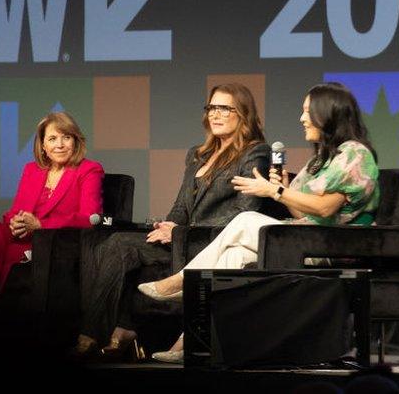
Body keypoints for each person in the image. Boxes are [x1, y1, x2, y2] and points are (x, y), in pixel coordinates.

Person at [140, 82, 380, 363]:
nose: (302, 119)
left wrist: (275, 191)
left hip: (336, 246)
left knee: (246, 218)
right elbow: (304, 215)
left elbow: (326, 208)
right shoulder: (321, 159)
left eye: (307, 112)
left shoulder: (355, 154)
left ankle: (182, 281)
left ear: (328, 114)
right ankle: (193, 340)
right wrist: (286, 189)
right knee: (233, 255)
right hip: (307, 240)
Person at [74, 83, 270, 359]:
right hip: (182, 239)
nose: (216, 114)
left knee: (121, 245)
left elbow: (244, 211)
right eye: (212, 107)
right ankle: (112, 331)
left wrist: (181, 232)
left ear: (243, 114)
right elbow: (181, 206)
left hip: (211, 242)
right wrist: (168, 226)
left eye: (225, 108)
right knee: (117, 242)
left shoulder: (255, 153)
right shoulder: (197, 154)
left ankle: (104, 333)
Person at [0, 111, 104, 298]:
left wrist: (41, 225)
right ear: (43, 145)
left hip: (52, 242)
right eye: (52, 138)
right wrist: (15, 222)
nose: (59, 145)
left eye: (66, 137)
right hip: (22, 236)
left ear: (75, 141)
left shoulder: (89, 169)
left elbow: (89, 218)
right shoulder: (32, 170)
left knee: (5, 254)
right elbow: (14, 212)